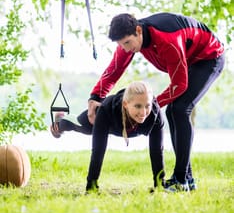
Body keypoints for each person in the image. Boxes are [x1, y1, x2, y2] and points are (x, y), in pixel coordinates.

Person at [87, 12, 225, 192]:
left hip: (209, 58)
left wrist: (151, 104)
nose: (125, 49)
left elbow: (179, 85)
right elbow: (115, 70)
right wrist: (95, 97)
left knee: (180, 109)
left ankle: (181, 180)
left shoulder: (167, 40)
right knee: (173, 110)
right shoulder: (129, 40)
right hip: (188, 60)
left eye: (127, 43)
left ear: (138, 30)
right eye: (121, 45)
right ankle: (187, 179)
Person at [50, 81, 165, 192]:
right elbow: (98, 150)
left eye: (147, 106)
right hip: (105, 121)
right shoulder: (106, 109)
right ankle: (60, 122)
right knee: (77, 125)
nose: (143, 112)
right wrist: (91, 186)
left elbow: (157, 151)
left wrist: (159, 186)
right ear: (125, 104)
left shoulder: (155, 114)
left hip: (132, 128)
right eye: (138, 106)